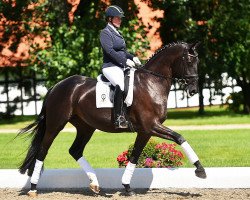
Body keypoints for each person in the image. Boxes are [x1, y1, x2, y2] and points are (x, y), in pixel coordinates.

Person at [100, 5, 141, 129]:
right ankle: (118, 118)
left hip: (120, 65)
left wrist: (132, 57)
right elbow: (110, 51)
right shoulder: (105, 33)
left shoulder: (117, 32)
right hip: (110, 67)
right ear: (110, 19)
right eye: (118, 18)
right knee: (121, 85)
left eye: (120, 18)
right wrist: (125, 61)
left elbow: (122, 51)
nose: (120, 20)